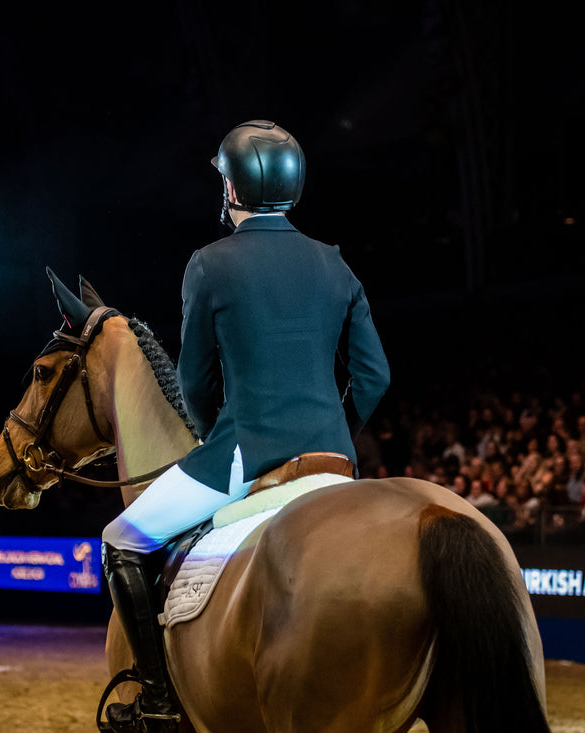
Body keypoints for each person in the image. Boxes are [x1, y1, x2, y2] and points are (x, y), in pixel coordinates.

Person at [98, 120, 391, 731]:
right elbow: (374, 377)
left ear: (232, 189)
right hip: (335, 461)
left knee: (122, 539)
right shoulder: (335, 264)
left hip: (243, 453)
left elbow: (197, 381)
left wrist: (209, 436)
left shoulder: (209, 265)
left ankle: (154, 698)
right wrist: (335, 436)